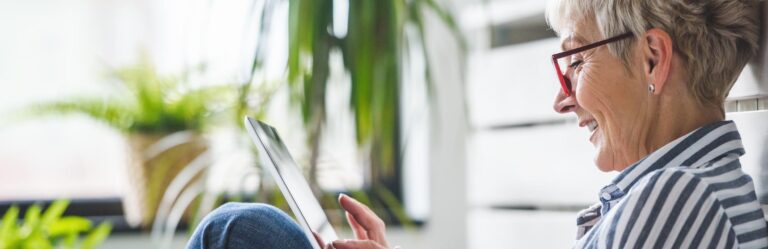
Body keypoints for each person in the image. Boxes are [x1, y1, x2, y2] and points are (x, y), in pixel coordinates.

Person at [186, 0, 768, 247]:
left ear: (652, 59)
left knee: (238, 232)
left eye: (575, 60)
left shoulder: (675, 199)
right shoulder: (678, 191)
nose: (561, 100)